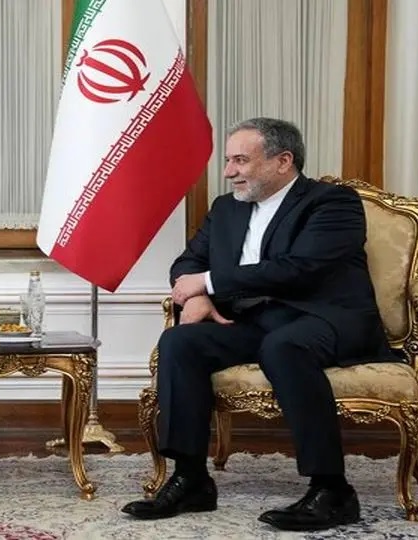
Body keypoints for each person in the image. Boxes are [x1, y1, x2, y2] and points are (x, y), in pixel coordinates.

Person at [120, 118, 396, 531]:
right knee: (180, 342)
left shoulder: (332, 202)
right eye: (228, 161)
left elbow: (299, 269)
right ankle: (191, 478)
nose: (228, 171)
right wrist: (196, 296)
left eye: (240, 160)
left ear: (283, 161)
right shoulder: (225, 208)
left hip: (322, 317)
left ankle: (332, 489)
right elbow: (188, 263)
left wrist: (209, 283)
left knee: (283, 346)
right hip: (253, 320)